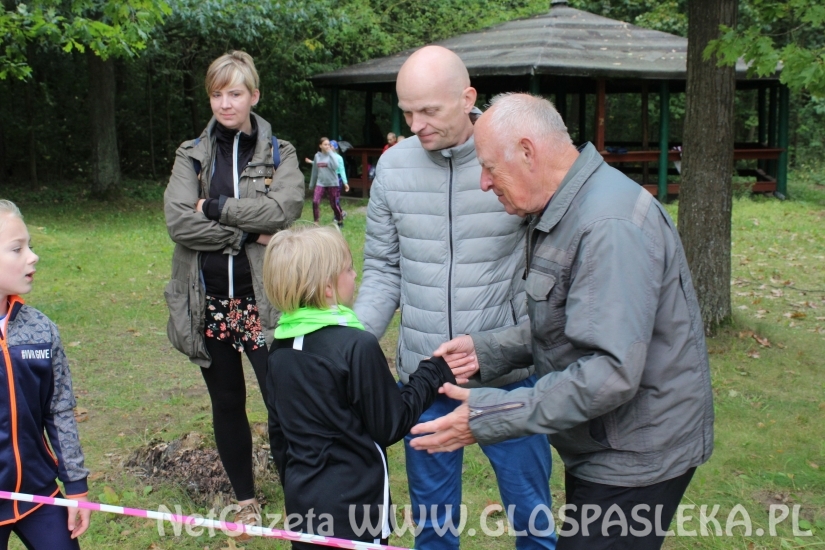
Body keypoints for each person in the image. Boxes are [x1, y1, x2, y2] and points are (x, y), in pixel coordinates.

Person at [410, 93, 715, 550]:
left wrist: (493, 414)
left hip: (634, 455)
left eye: (490, 167)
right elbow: (576, 320)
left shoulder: (607, 225)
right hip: (604, 444)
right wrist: (487, 350)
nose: (484, 183)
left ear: (527, 152)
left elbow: (610, 372)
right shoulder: (569, 206)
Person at [354, 46, 556, 550]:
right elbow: (382, 271)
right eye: (406, 112)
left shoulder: (511, 160)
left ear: (467, 99)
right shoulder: (392, 170)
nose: (415, 125)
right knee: (433, 529)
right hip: (422, 383)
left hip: (508, 381)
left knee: (533, 519)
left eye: (429, 111)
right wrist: (349, 344)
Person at [163, 51, 304, 527]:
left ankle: (298, 496)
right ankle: (245, 499)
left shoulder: (280, 153)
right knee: (226, 403)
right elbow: (178, 221)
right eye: (217, 94)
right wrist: (245, 235)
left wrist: (214, 206)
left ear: (253, 96)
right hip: (209, 303)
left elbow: (282, 212)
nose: (225, 103)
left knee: (281, 404)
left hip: (265, 303)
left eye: (235, 93)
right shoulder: (191, 155)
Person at [262, 225, 456, 548]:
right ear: (328, 287)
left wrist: (293, 489)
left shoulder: (279, 348)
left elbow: (278, 435)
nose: (355, 276)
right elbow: (390, 424)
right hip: (357, 512)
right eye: (349, 269)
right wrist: (433, 372)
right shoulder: (357, 346)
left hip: (303, 507)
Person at [0, 200, 91, 549]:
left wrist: (76, 486)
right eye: (17, 249)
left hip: (39, 494)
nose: (33, 257)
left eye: (30, 246)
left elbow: (60, 410)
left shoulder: (41, 330)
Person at [308, 137, 345, 229]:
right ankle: (316, 222)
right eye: (325, 144)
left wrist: (331, 153)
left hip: (332, 183)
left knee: (334, 204)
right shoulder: (317, 156)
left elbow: (336, 167)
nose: (327, 146)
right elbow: (315, 171)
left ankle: (340, 220)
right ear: (320, 146)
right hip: (321, 183)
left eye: (328, 144)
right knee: (315, 201)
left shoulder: (332, 155)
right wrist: (312, 184)